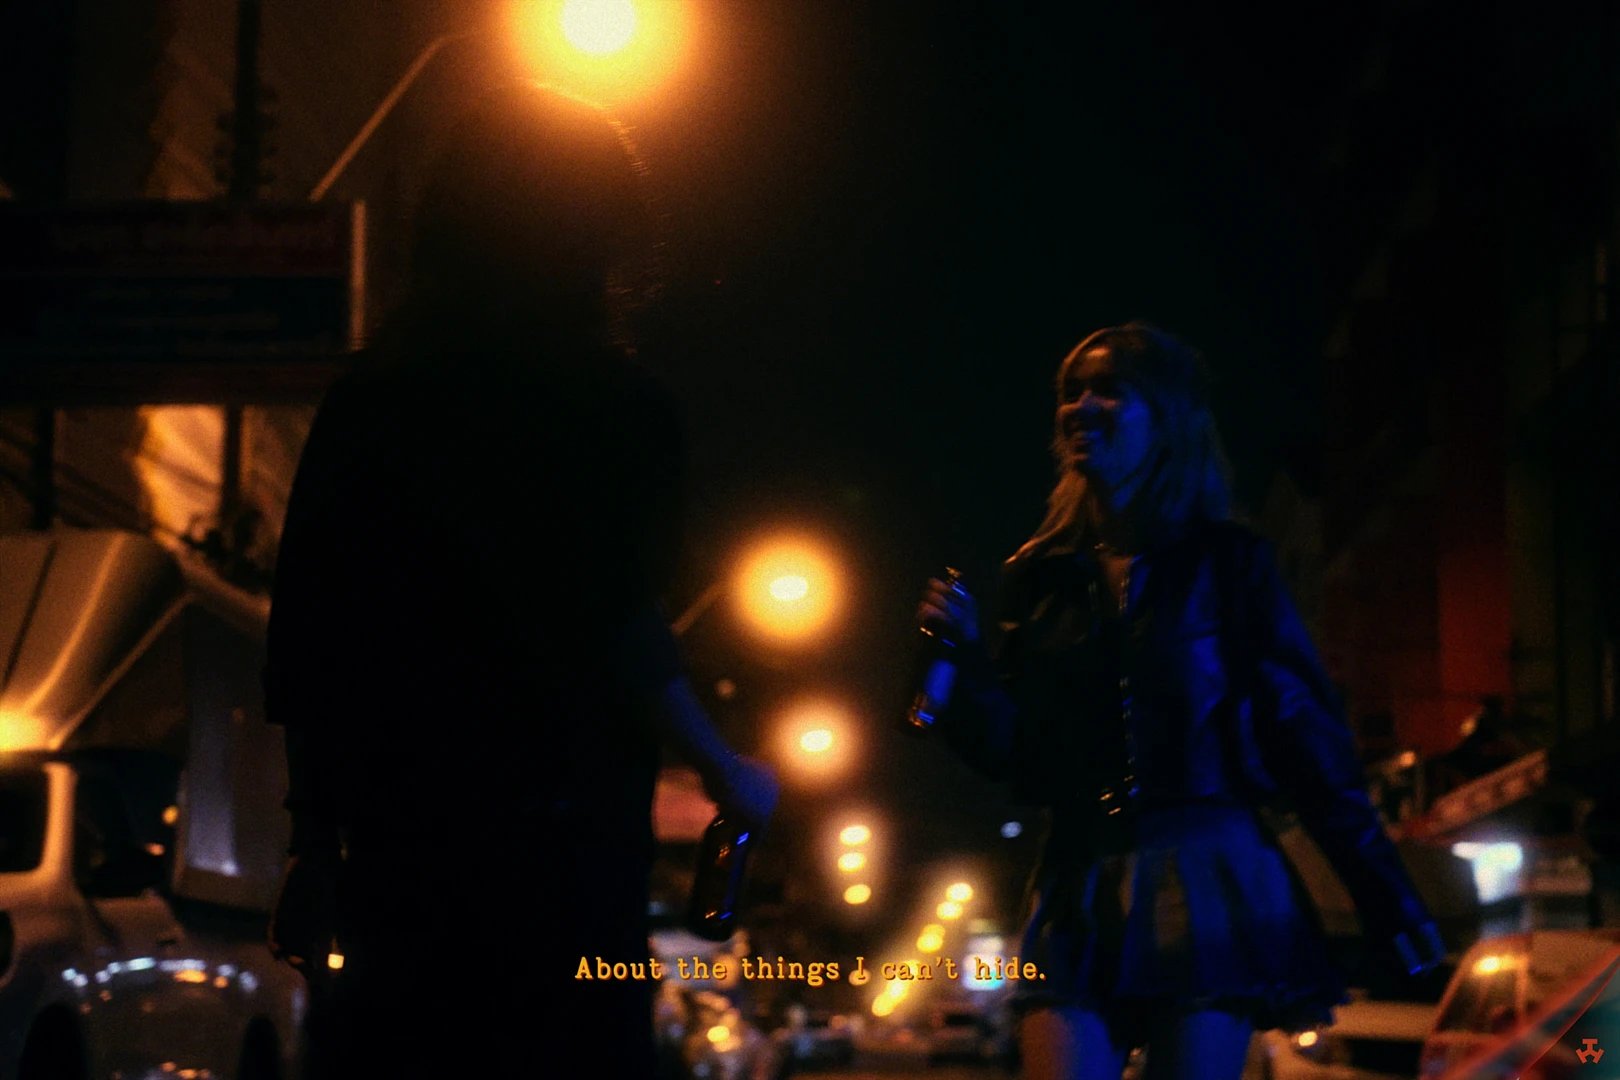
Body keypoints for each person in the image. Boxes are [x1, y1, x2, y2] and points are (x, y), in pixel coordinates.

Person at [263, 82, 778, 1077]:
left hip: (400, 853)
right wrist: (725, 767)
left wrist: (312, 842)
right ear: (601, 234)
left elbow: (314, 643)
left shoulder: (370, 402)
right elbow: (623, 628)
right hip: (567, 852)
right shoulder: (621, 413)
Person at [915, 321, 1444, 1080]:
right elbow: (1021, 756)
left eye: (1108, 391)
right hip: (1079, 874)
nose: (1081, 407)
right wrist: (963, 668)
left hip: (1206, 872)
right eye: (1071, 392)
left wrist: (1390, 903)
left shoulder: (1229, 564)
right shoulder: (1038, 576)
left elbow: (1307, 742)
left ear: (1165, 417)